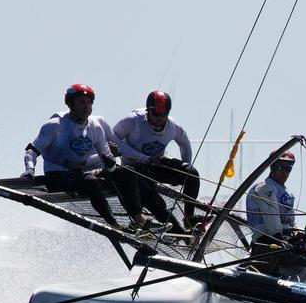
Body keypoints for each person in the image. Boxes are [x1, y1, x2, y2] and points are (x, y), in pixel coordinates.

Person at [22, 84, 121, 228]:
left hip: (79, 175)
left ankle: (140, 220)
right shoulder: (55, 125)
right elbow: (32, 151)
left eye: (88, 102)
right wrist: (30, 169)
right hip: (57, 177)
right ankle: (113, 224)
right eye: (81, 102)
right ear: (70, 103)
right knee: (91, 182)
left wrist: (111, 163)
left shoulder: (96, 127)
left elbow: (107, 159)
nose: (86, 106)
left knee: (122, 174)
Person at [112, 90, 201, 234]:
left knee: (191, 173)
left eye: (163, 115)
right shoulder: (133, 120)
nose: (159, 118)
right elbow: (112, 137)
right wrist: (141, 157)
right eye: (155, 114)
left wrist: (183, 174)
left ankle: (189, 218)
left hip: (156, 165)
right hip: (134, 170)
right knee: (157, 204)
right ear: (148, 111)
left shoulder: (173, 126)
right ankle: (179, 233)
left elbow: (185, 144)